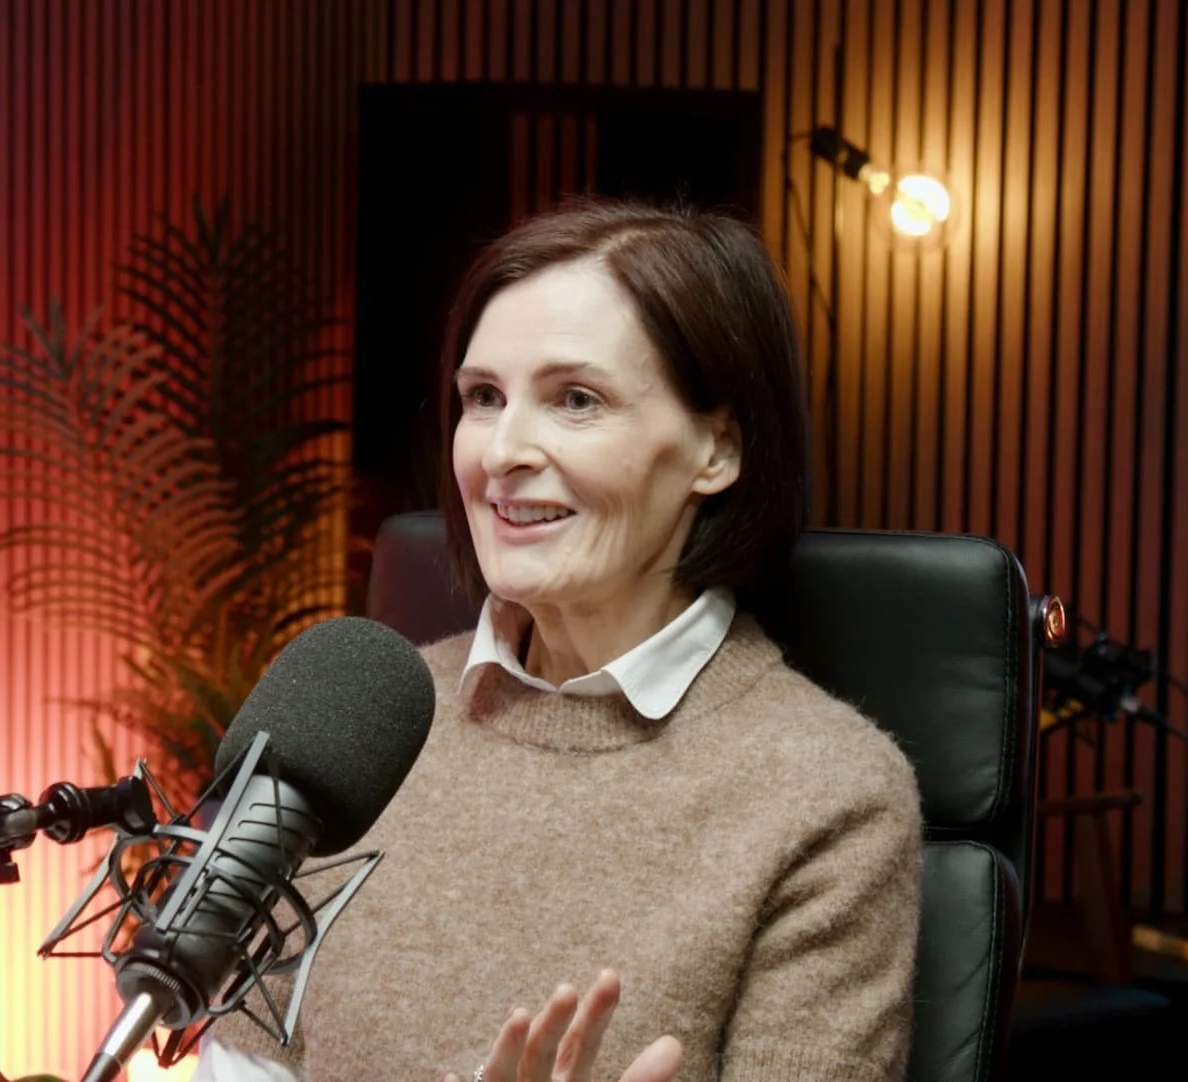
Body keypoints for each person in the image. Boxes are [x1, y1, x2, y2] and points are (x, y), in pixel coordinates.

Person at [195, 196, 923, 1082]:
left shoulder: (829, 795)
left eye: (575, 400)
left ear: (716, 449)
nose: (503, 451)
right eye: (483, 397)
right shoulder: (355, 730)